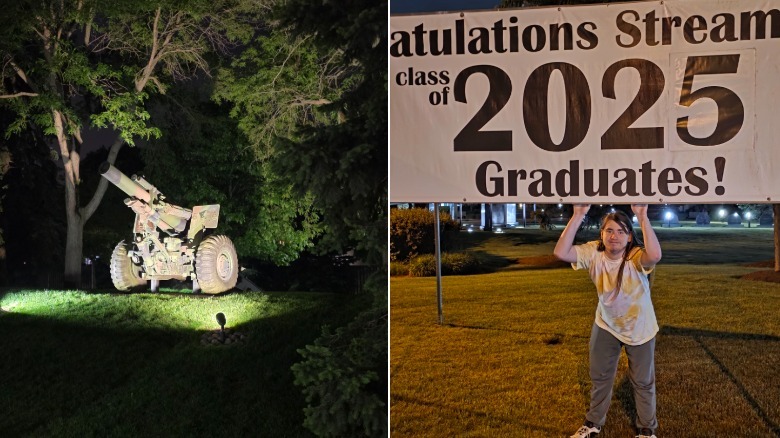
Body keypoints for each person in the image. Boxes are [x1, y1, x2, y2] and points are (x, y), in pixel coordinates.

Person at [553, 205, 662, 438]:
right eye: (609, 230)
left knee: (642, 382)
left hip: (639, 327)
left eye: (621, 231)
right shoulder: (593, 252)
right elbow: (561, 253)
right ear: (601, 234)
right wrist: (578, 215)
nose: (614, 236)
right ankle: (593, 424)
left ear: (630, 236)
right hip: (606, 324)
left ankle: (646, 429)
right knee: (600, 377)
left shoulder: (635, 256)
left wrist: (642, 216)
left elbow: (655, 255)